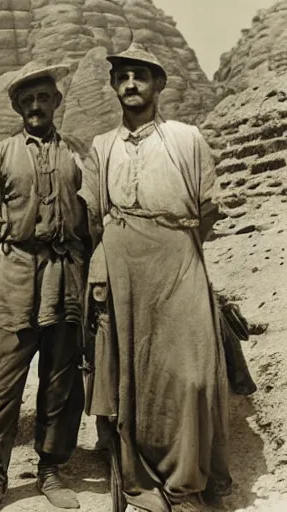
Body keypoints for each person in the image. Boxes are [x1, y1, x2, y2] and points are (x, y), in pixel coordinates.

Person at [79, 43, 232, 512]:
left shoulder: (187, 138)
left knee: (191, 376)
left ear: (158, 84)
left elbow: (207, 209)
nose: (130, 84)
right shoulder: (102, 147)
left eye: (139, 76)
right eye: (122, 76)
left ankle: (187, 483)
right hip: (122, 262)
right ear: (113, 86)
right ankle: (139, 478)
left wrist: (175, 247)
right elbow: (93, 217)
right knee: (130, 375)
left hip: (179, 259)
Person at [0, 62, 90, 512]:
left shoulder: (79, 154)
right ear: (17, 106)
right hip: (16, 273)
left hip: (68, 275)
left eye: (43, 98)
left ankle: (51, 470)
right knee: (5, 382)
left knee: (61, 380)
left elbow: (92, 225)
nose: (36, 106)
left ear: (57, 102)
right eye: (27, 100)